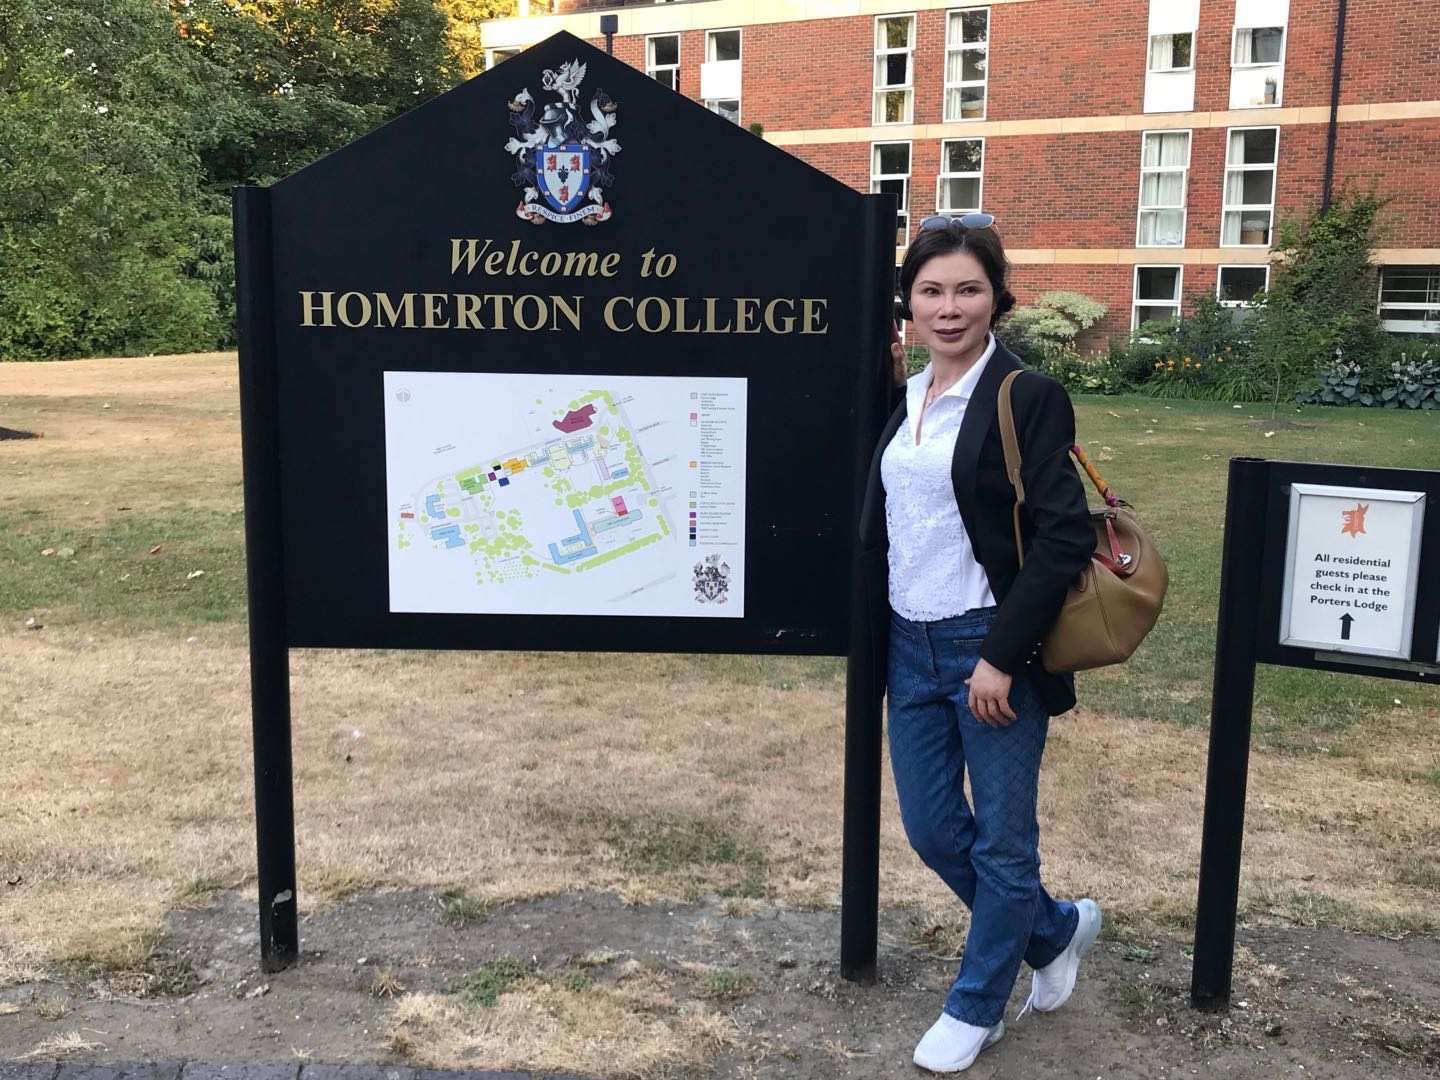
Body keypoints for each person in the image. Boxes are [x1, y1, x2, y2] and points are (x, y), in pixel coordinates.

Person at [857, 213, 1102, 1073]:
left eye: (968, 289)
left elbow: (1064, 536)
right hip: (908, 643)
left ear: (998, 297)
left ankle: (977, 1006)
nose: (949, 307)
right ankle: (1054, 930)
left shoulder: (1024, 396)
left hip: (988, 644)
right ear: (908, 302)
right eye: (931, 291)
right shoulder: (904, 396)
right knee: (932, 830)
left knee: (1002, 842)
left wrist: (1000, 656)